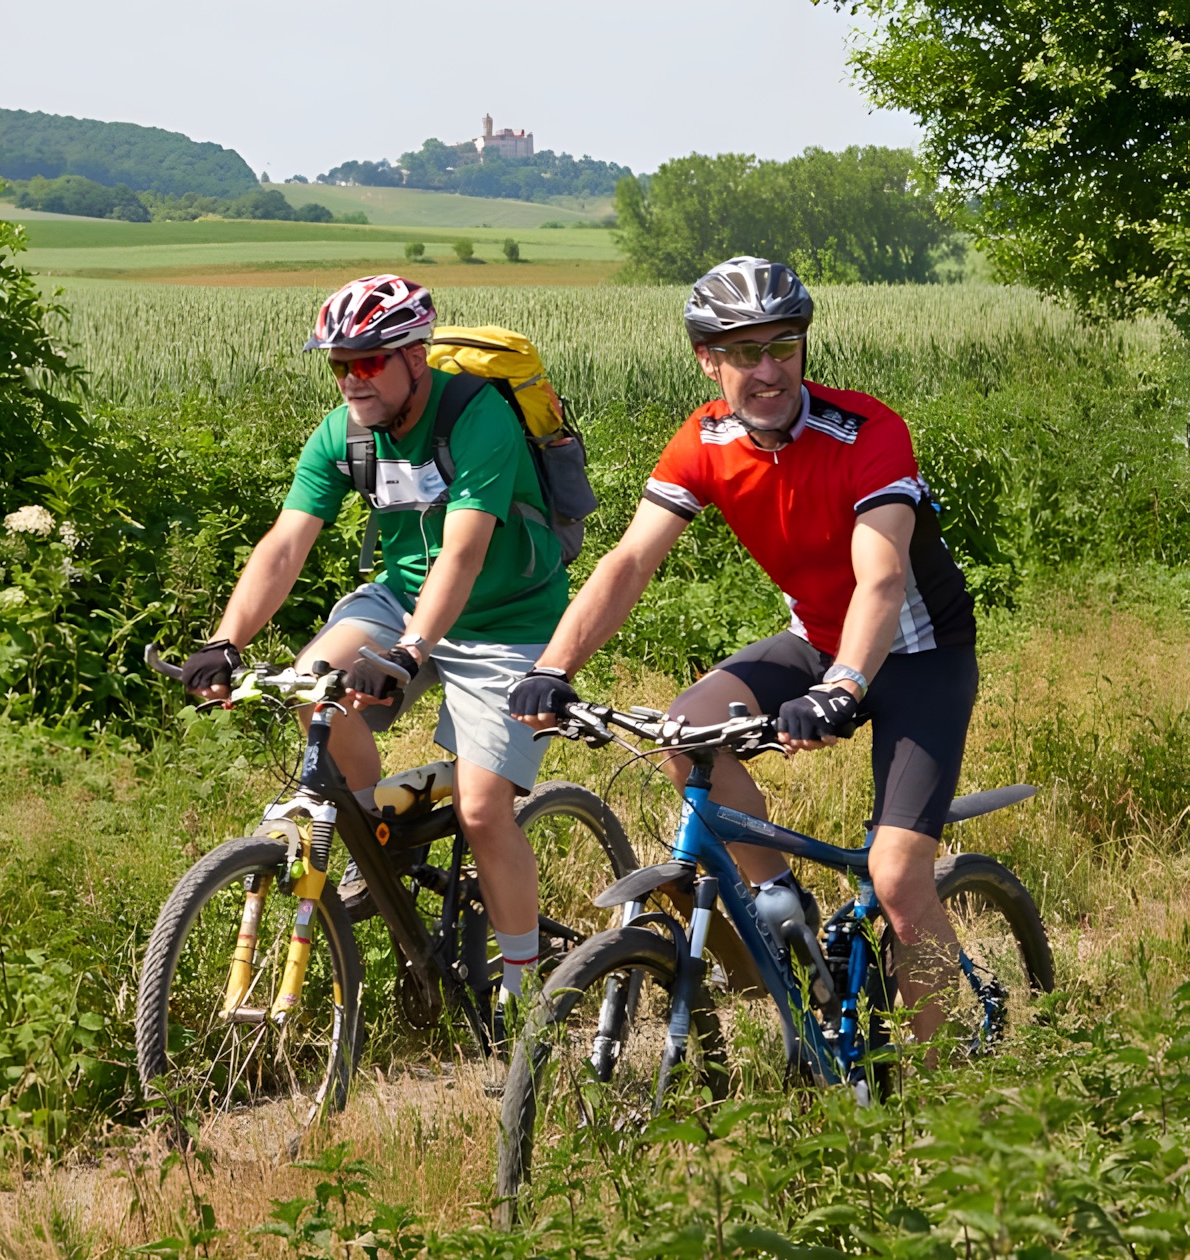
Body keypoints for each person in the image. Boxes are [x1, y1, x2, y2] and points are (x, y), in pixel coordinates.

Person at [508, 256, 977, 1042]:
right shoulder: (706, 439)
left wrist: (842, 688)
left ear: (803, 347)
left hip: (920, 655)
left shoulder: (867, 431)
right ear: (708, 359)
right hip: (816, 642)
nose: (767, 370)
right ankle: (782, 906)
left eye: (783, 347)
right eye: (743, 352)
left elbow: (883, 578)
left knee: (897, 877)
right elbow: (630, 562)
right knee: (682, 733)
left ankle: (946, 1083)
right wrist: (554, 668)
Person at [182, 273, 570, 996]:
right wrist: (224, 641)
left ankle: (523, 994)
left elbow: (463, 553)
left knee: (482, 810)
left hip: (508, 618)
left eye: (366, 361)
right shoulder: (344, 432)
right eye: (338, 365)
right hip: (402, 599)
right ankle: (376, 838)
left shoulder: (477, 417)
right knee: (313, 686)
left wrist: (409, 652)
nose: (350, 380)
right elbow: (285, 545)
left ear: (415, 357)